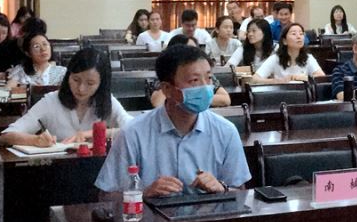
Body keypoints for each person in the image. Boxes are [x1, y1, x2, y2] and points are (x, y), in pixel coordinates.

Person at [94, 44, 250, 199]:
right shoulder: (133, 133)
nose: (205, 87)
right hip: (150, 215)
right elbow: (106, 196)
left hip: (208, 214)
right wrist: (144, 193)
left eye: (209, 78)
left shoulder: (226, 131)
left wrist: (222, 188)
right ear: (167, 89)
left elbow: (240, 193)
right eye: (194, 80)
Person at [1, 47, 129, 148]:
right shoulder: (51, 101)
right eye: (76, 80)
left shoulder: (107, 101)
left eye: (90, 83)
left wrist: (92, 134)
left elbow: (133, 128)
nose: (81, 88)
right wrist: (35, 140)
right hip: (59, 169)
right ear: (68, 76)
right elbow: (5, 137)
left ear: (101, 84)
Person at [250, 22, 323, 82]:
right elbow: (255, 79)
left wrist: (301, 78)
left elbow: (321, 78)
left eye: (301, 34)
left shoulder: (308, 58)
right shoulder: (275, 59)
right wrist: (275, 81)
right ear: (284, 41)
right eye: (294, 34)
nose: (299, 37)